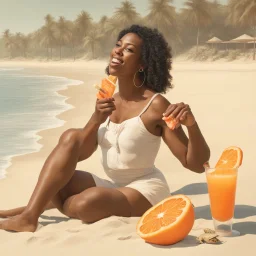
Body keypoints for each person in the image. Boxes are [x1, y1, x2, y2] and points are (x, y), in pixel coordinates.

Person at [0, 25, 210, 232]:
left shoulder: (156, 105)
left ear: (142, 64)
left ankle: (32, 211)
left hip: (145, 189)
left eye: (129, 49)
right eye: (118, 45)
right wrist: (96, 119)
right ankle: (30, 213)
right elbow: (78, 152)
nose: (118, 50)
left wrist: (191, 125)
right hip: (113, 185)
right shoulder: (109, 99)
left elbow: (195, 164)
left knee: (85, 203)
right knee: (65, 151)